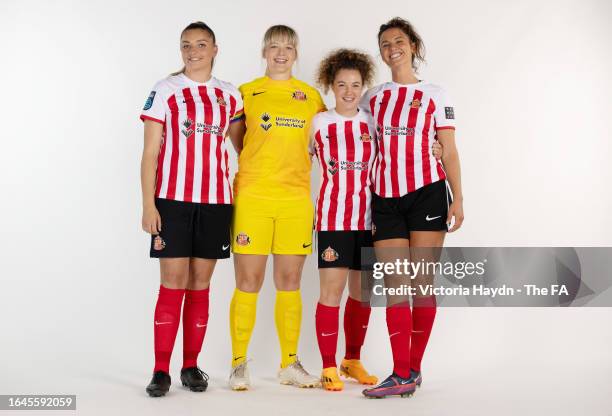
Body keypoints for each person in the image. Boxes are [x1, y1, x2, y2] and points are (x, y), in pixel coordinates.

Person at [311, 49, 443, 392]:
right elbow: (297, 165)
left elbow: (402, 143)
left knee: (363, 294)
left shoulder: (371, 118)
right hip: (333, 219)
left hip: (371, 218)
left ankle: (352, 360)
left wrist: (436, 147)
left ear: (363, 87)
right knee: (331, 292)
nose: (349, 91)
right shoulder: (319, 123)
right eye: (342, 84)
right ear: (331, 85)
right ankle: (328, 365)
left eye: (355, 84)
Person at [361, 17, 464, 399]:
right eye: (385, 43)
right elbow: (359, 139)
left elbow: (449, 149)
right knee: (394, 284)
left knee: (422, 282)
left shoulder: (437, 94)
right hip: (385, 199)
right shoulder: (373, 97)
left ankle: (412, 370)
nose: (392, 48)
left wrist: (460, 197)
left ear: (414, 46)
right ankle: (400, 371)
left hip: (428, 194)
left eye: (399, 41)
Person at [139, 21, 244, 397]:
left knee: (201, 285)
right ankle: (160, 370)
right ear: (180, 50)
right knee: (173, 283)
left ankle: (190, 366)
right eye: (186, 45)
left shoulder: (230, 96)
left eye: (201, 44)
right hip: (173, 202)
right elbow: (150, 152)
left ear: (215, 49)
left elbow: (245, 147)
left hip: (216, 202)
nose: (193, 51)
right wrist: (148, 204)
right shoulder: (165, 90)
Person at [227, 25, 325, 390]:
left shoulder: (311, 97)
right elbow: (241, 142)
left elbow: (327, 139)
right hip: (253, 197)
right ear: (263, 52)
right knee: (248, 281)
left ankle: (289, 363)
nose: (280, 53)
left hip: (295, 200)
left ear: (296, 53)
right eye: (273, 47)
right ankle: (239, 363)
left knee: (289, 281)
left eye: (288, 47)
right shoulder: (247, 92)